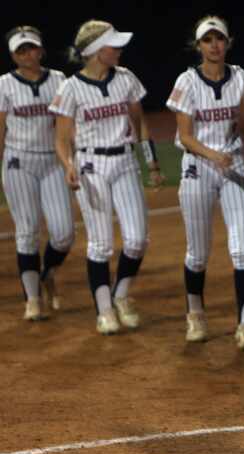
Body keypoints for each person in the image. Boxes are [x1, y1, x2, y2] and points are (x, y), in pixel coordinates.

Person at [50, 20, 163, 335]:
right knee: (100, 244)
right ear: (95, 51)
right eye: (113, 45)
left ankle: (121, 296)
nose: (119, 49)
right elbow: (60, 139)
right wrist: (68, 164)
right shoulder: (70, 88)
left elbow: (140, 125)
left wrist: (151, 163)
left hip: (125, 162)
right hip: (90, 166)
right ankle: (104, 311)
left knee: (137, 240)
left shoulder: (126, 79)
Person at [166, 15, 244, 349]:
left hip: (232, 165)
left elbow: (243, 123)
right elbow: (185, 136)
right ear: (199, 45)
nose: (214, 45)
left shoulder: (240, 78)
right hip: (198, 166)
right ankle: (195, 315)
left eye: (219, 38)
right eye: (207, 40)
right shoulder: (187, 82)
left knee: (243, 249)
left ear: (227, 42)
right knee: (198, 252)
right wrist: (213, 155)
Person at [1, 26, 73, 321]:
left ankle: (48, 274)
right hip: (19, 162)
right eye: (20, 50)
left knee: (64, 233)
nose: (27, 54)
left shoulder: (59, 80)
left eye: (31, 48)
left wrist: (72, 159)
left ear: (41, 50)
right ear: (12, 55)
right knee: (27, 231)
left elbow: (69, 124)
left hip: (54, 161)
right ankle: (32, 298)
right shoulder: (4, 84)